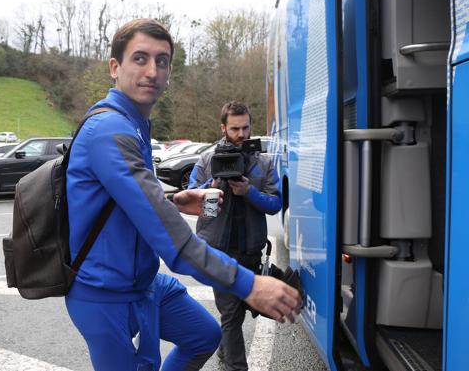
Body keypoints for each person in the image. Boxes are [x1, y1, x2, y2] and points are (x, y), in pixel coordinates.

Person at [65, 18, 300, 371]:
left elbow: (130, 200)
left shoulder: (135, 124)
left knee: (204, 335)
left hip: (142, 282)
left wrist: (174, 199)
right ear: (115, 67)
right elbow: (172, 243)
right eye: (140, 58)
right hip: (105, 294)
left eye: (162, 61)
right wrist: (248, 285)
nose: (152, 70)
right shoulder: (109, 130)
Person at [188, 101, 282, 371]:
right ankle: (236, 366)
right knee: (230, 314)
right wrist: (212, 187)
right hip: (218, 251)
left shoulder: (262, 162)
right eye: (235, 128)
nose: (242, 134)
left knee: (236, 314)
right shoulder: (208, 160)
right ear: (223, 128)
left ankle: (224, 350)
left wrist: (248, 192)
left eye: (246, 127)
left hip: (249, 251)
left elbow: (275, 204)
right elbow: (199, 209)